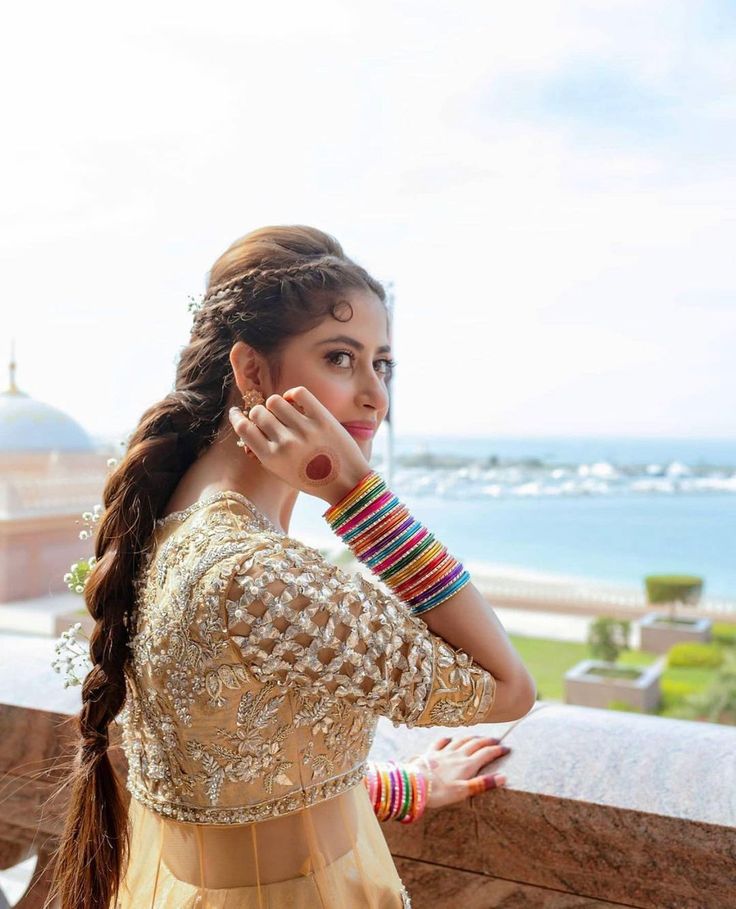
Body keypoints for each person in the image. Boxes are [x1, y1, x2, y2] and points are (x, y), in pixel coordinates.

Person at [49, 225, 537, 909]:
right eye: (342, 358)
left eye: (383, 364)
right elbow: (510, 686)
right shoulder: (254, 573)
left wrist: (406, 784)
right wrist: (354, 493)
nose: (376, 396)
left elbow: (241, 763)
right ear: (251, 372)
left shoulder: (166, 525)